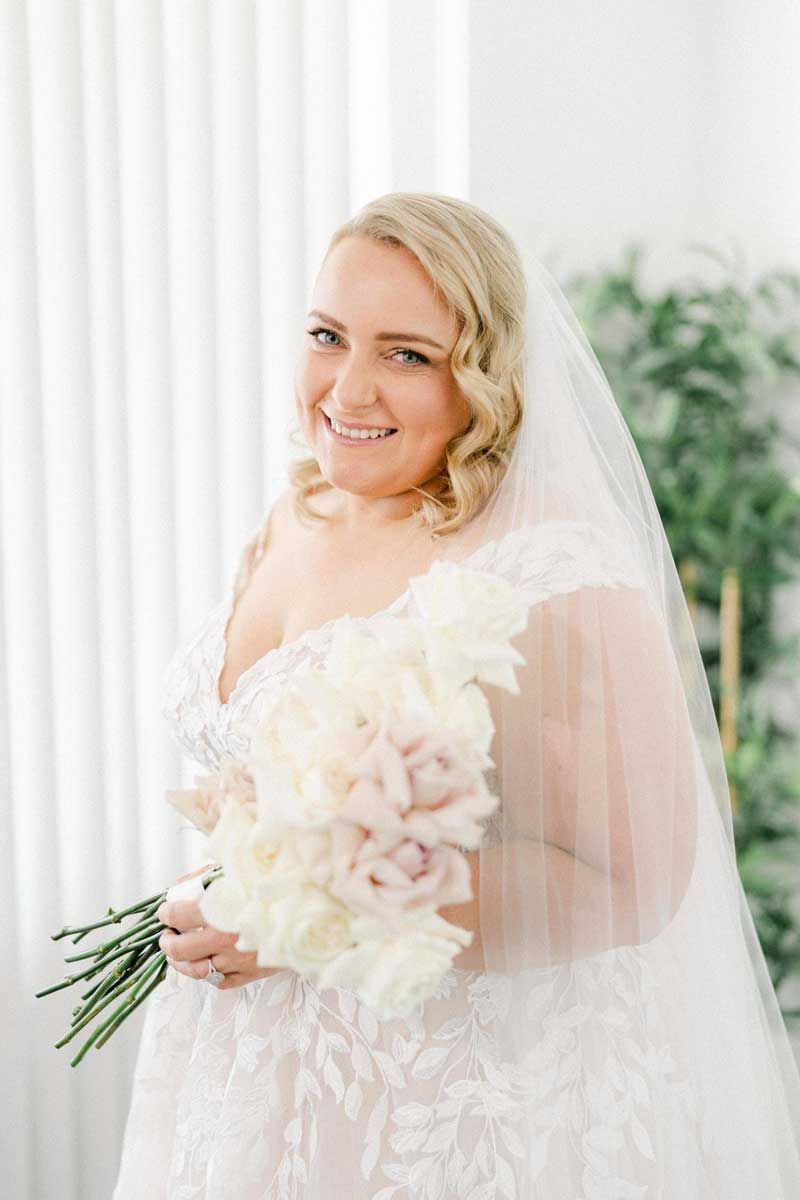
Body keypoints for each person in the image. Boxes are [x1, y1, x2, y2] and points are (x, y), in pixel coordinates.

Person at [112, 193, 800, 1198]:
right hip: (248, 1078)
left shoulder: (549, 572)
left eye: (405, 354)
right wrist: (231, 890)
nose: (347, 387)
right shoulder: (293, 514)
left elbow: (632, 882)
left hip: (434, 1109)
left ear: (482, 373)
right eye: (326, 335)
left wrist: (307, 915)